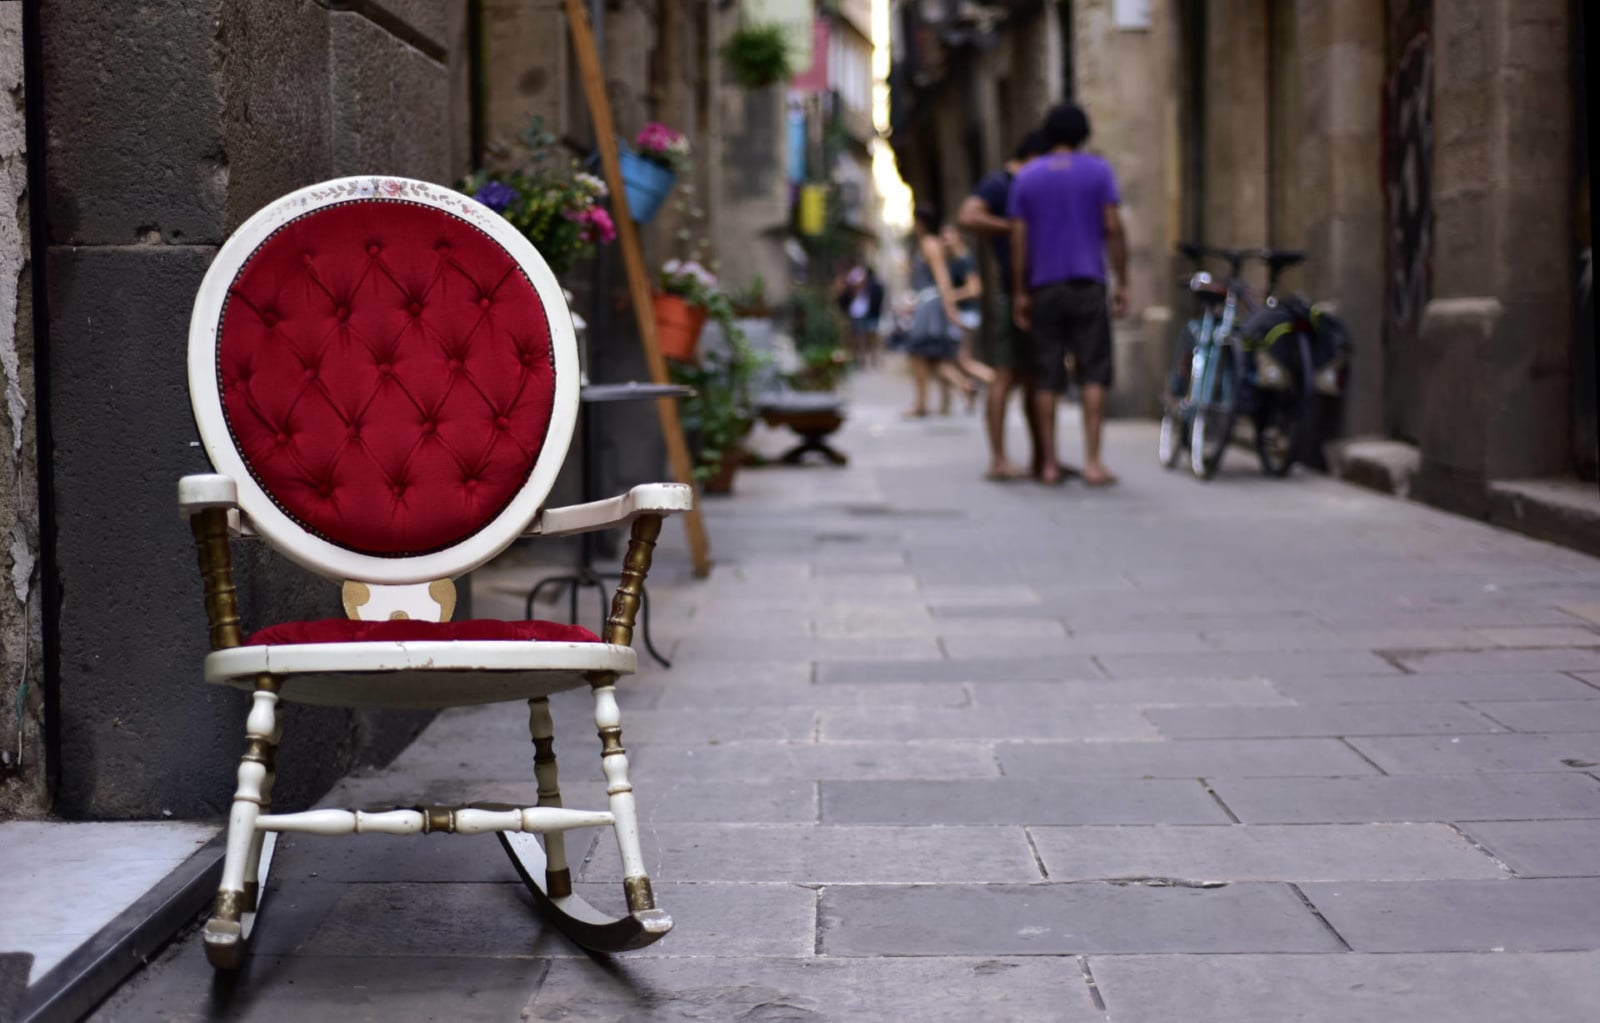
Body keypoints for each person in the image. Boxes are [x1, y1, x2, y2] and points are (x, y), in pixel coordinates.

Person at [1008, 103, 1128, 486]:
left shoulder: (1027, 177)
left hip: (1044, 287)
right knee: (1093, 372)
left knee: (1047, 376)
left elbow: (1019, 239)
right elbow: (1112, 226)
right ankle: (1093, 462)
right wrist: (1122, 279)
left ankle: (1049, 465)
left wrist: (1020, 290)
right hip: (1087, 283)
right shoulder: (1098, 171)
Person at [958, 130, 1054, 481]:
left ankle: (1042, 458)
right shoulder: (1002, 183)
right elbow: (967, 216)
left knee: (1033, 377)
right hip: (1013, 291)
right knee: (1006, 374)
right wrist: (1012, 228)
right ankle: (999, 458)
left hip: (1037, 290)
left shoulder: (1023, 182)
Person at [905, 205, 978, 416]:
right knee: (934, 356)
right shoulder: (929, 244)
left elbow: (942, 277)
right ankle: (962, 388)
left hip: (930, 304)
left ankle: (922, 402)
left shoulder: (929, 244)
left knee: (919, 352)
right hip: (928, 302)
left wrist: (950, 308)